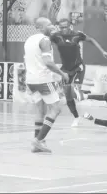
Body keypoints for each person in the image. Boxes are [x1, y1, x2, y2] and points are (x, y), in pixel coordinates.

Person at [50, 18, 107, 127]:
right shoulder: (56, 36)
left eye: (66, 27)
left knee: (75, 91)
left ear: (70, 26)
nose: (64, 29)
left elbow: (91, 40)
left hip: (78, 67)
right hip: (65, 69)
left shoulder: (77, 35)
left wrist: (103, 52)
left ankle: (86, 94)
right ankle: (76, 117)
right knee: (68, 96)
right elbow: (45, 43)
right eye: (61, 27)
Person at [24, 17, 69, 153]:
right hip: (43, 80)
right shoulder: (45, 40)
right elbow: (48, 62)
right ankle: (38, 140)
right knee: (56, 109)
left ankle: (38, 142)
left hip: (30, 80)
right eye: (49, 25)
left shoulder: (29, 40)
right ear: (41, 27)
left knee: (40, 110)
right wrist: (62, 73)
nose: (52, 26)